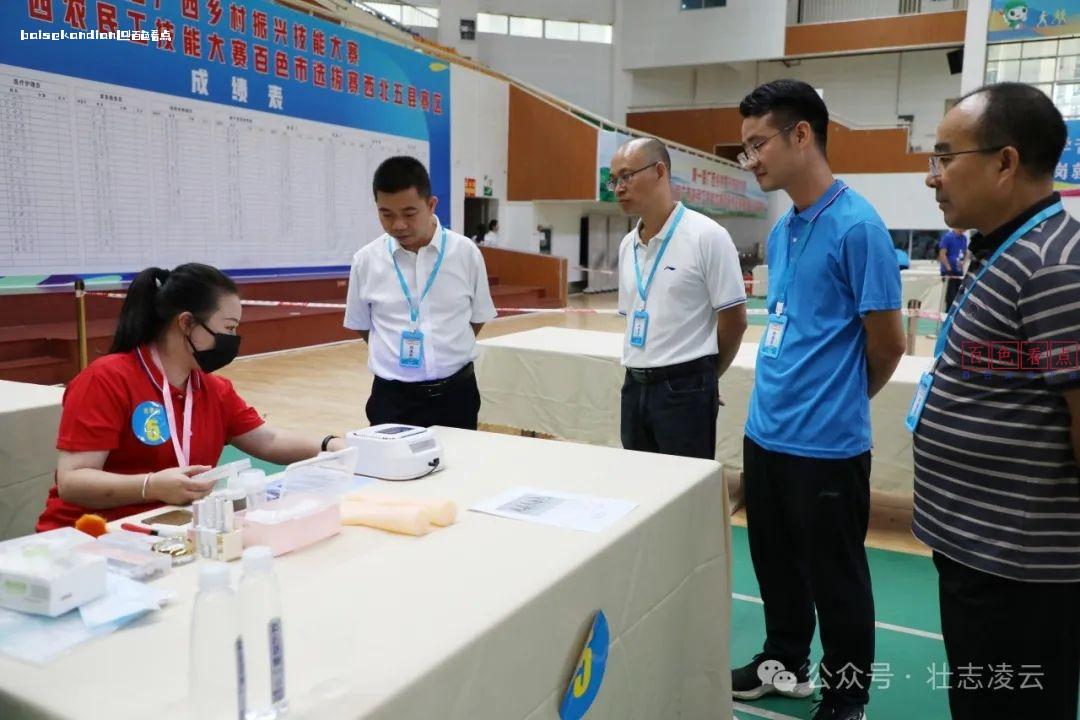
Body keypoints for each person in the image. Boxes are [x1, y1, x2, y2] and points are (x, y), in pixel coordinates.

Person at [733, 80, 905, 720]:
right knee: (775, 568)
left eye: (759, 143)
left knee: (837, 581)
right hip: (765, 434)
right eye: (745, 146)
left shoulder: (858, 227)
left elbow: (887, 342)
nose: (750, 159)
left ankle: (847, 696)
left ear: (801, 134)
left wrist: (838, 402)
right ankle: (784, 661)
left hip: (827, 447)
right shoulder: (784, 229)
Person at [912, 82, 1080, 720]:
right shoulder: (1003, 251)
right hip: (979, 548)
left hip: (1021, 567)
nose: (934, 178)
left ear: (1005, 162)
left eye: (945, 157)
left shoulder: (1055, 265)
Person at [37, 263, 346, 531]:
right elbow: (73, 481)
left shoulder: (213, 389)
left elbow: (268, 440)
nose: (233, 340)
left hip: (169, 529)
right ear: (186, 323)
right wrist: (151, 486)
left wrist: (330, 446)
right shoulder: (106, 380)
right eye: (228, 328)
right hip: (90, 535)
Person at [612, 136, 747, 459]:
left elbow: (735, 321)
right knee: (641, 488)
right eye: (613, 179)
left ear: (660, 172)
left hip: (685, 388)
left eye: (627, 176)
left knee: (686, 493)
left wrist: (704, 379)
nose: (618, 187)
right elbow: (633, 319)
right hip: (634, 385)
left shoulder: (707, 236)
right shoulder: (627, 244)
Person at [345, 156, 497, 430]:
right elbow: (362, 325)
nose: (398, 225)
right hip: (393, 400)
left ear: (431, 205)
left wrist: (445, 347)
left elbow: (477, 317)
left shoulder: (465, 254)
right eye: (386, 214)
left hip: (456, 395)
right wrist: (393, 354)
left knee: (461, 470)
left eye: (409, 213)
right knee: (390, 472)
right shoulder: (365, 261)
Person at [937, 227, 968, 309]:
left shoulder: (964, 238)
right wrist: (948, 268)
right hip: (948, 272)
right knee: (949, 297)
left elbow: (965, 253)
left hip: (958, 271)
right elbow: (942, 254)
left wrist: (963, 263)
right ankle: (946, 314)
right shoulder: (948, 237)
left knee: (959, 296)